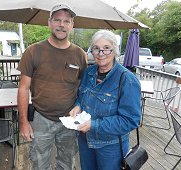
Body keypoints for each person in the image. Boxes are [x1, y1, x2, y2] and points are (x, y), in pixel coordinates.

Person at [17, 4, 87, 170]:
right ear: (49, 23)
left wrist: (79, 109)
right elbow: (23, 89)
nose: (61, 25)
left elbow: (83, 88)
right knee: (40, 164)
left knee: (67, 163)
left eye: (66, 21)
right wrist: (24, 122)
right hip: (41, 119)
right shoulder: (33, 51)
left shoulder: (79, 54)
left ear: (72, 25)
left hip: (70, 121)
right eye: (57, 20)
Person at [69, 30, 141, 170]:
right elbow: (81, 97)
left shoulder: (127, 80)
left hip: (110, 147)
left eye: (106, 48)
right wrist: (78, 105)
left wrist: (94, 125)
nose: (101, 53)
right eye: (96, 48)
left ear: (115, 50)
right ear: (92, 51)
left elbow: (130, 120)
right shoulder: (88, 72)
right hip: (85, 141)